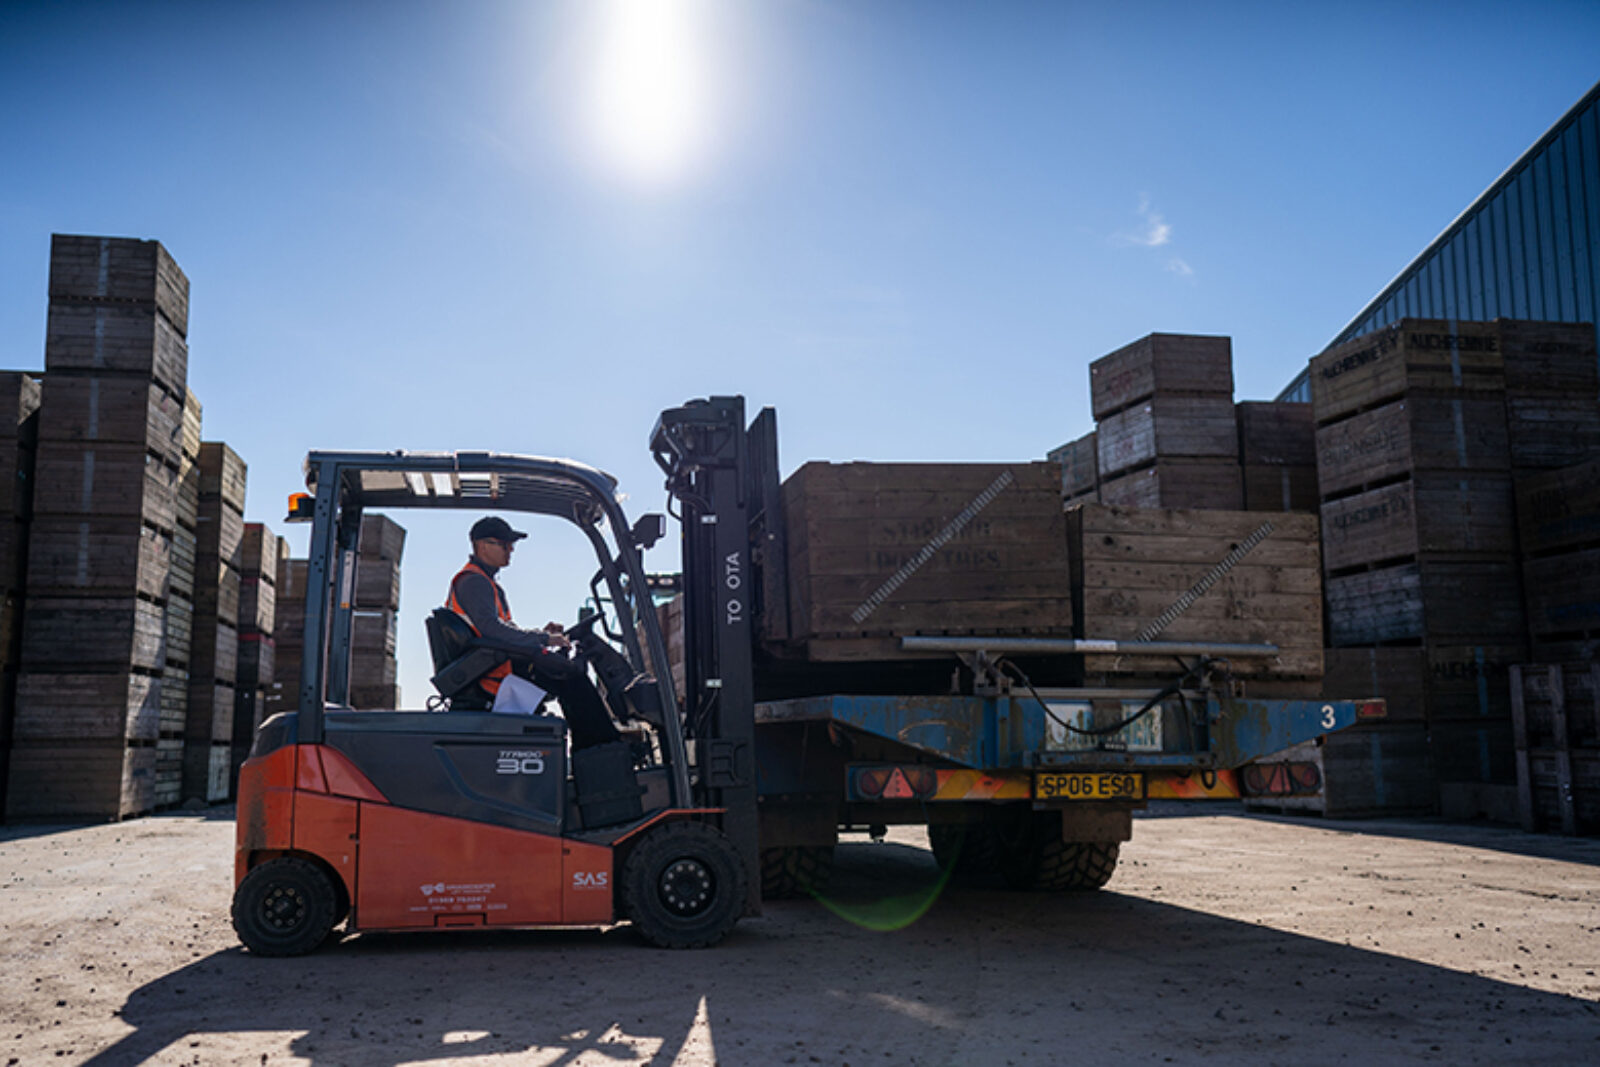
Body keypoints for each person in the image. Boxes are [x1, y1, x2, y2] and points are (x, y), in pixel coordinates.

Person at [445, 515, 621, 750]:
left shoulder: (485, 582)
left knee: (568, 674)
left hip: (496, 664)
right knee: (573, 676)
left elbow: (502, 629)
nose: (511, 550)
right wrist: (544, 639)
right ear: (482, 545)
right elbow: (492, 629)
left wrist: (541, 634)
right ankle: (602, 753)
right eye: (505, 544)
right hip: (493, 673)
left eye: (512, 545)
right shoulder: (474, 582)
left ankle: (594, 751)